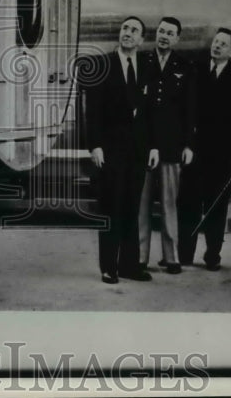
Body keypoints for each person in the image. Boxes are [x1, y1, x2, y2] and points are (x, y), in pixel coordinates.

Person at [81, 16, 159, 284]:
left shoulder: (147, 67)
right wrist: (95, 145)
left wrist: (153, 147)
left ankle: (129, 266)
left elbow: (151, 114)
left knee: (131, 209)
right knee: (110, 209)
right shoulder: (103, 64)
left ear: (141, 40)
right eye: (125, 28)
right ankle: (108, 267)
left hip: (137, 151)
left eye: (134, 30)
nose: (127, 33)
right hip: (110, 151)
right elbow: (92, 111)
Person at [178, 28, 231, 271]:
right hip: (194, 152)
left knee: (215, 208)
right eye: (215, 41)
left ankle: (212, 256)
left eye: (223, 44)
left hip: (223, 155)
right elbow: (184, 112)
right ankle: (185, 255)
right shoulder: (195, 71)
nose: (216, 46)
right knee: (188, 203)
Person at [137, 17, 196, 274]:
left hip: (172, 147)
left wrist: (189, 145)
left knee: (170, 202)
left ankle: (172, 258)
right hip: (143, 146)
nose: (164, 36)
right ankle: (140, 257)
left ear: (177, 39)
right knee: (142, 204)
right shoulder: (141, 62)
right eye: (161, 31)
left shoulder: (185, 66)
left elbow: (191, 110)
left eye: (170, 33)